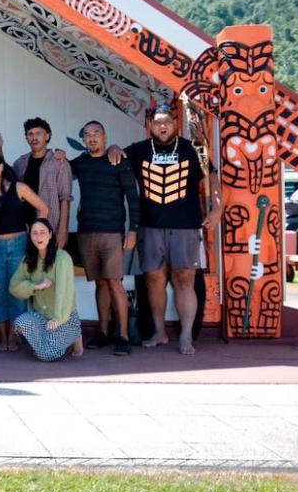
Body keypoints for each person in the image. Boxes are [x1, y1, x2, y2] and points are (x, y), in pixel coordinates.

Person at [123, 103, 222, 355]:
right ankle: (159, 332)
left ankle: (186, 336)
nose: (162, 126)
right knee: (154, 280)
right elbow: (113, 157)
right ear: (150, 126)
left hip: (185, 226)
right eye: (157, 122)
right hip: (150, 226)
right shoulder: (139, 150)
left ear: (176, 124)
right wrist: (113, 148)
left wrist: (217, 208)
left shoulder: (192, 150)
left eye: (167, 121)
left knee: (184, 280)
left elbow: (212, 178)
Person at [71, 120, 140, 356]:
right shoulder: (80, 163)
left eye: (96, 134)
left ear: (105, 136)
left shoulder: (119, 161)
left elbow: (133, 198)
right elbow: (61, 170)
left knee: (114, 283)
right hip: (87, 231)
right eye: (87, 135)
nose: (92, 138)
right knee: (100, 282)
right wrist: (58, 155)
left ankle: (123, 336)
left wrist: (133, 230)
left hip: (113, 232)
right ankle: (102, 332)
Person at [0, 152, 48, 352]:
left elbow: (43, 209)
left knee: (18, 292)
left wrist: (37, 234)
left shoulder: (19, 188)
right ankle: (2, 336)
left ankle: (14, 335)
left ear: (2, 166)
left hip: (20, 244)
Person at [10, 218, 84, 361]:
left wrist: (58, 319)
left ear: (50, 234)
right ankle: (50, 344)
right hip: (41, 317)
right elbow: (14, 286)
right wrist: (35, 286)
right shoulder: (28, 259)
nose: (39, 237)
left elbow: (65, 291)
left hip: (64, 318)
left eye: (43, 232)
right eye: (34, 233)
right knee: (20, 324)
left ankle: (75, 335)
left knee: (46, 354)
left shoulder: (62, 258)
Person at [11, 117, 73, 248]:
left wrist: (63, 231)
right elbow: (9, 185)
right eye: (30, 134)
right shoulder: (20, 163)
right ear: (26, 138)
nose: (34, 137)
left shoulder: (59, 162)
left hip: (50, 226)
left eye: (38, 133)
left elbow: (65, 198)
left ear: (47, 136)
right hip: (25, 228)